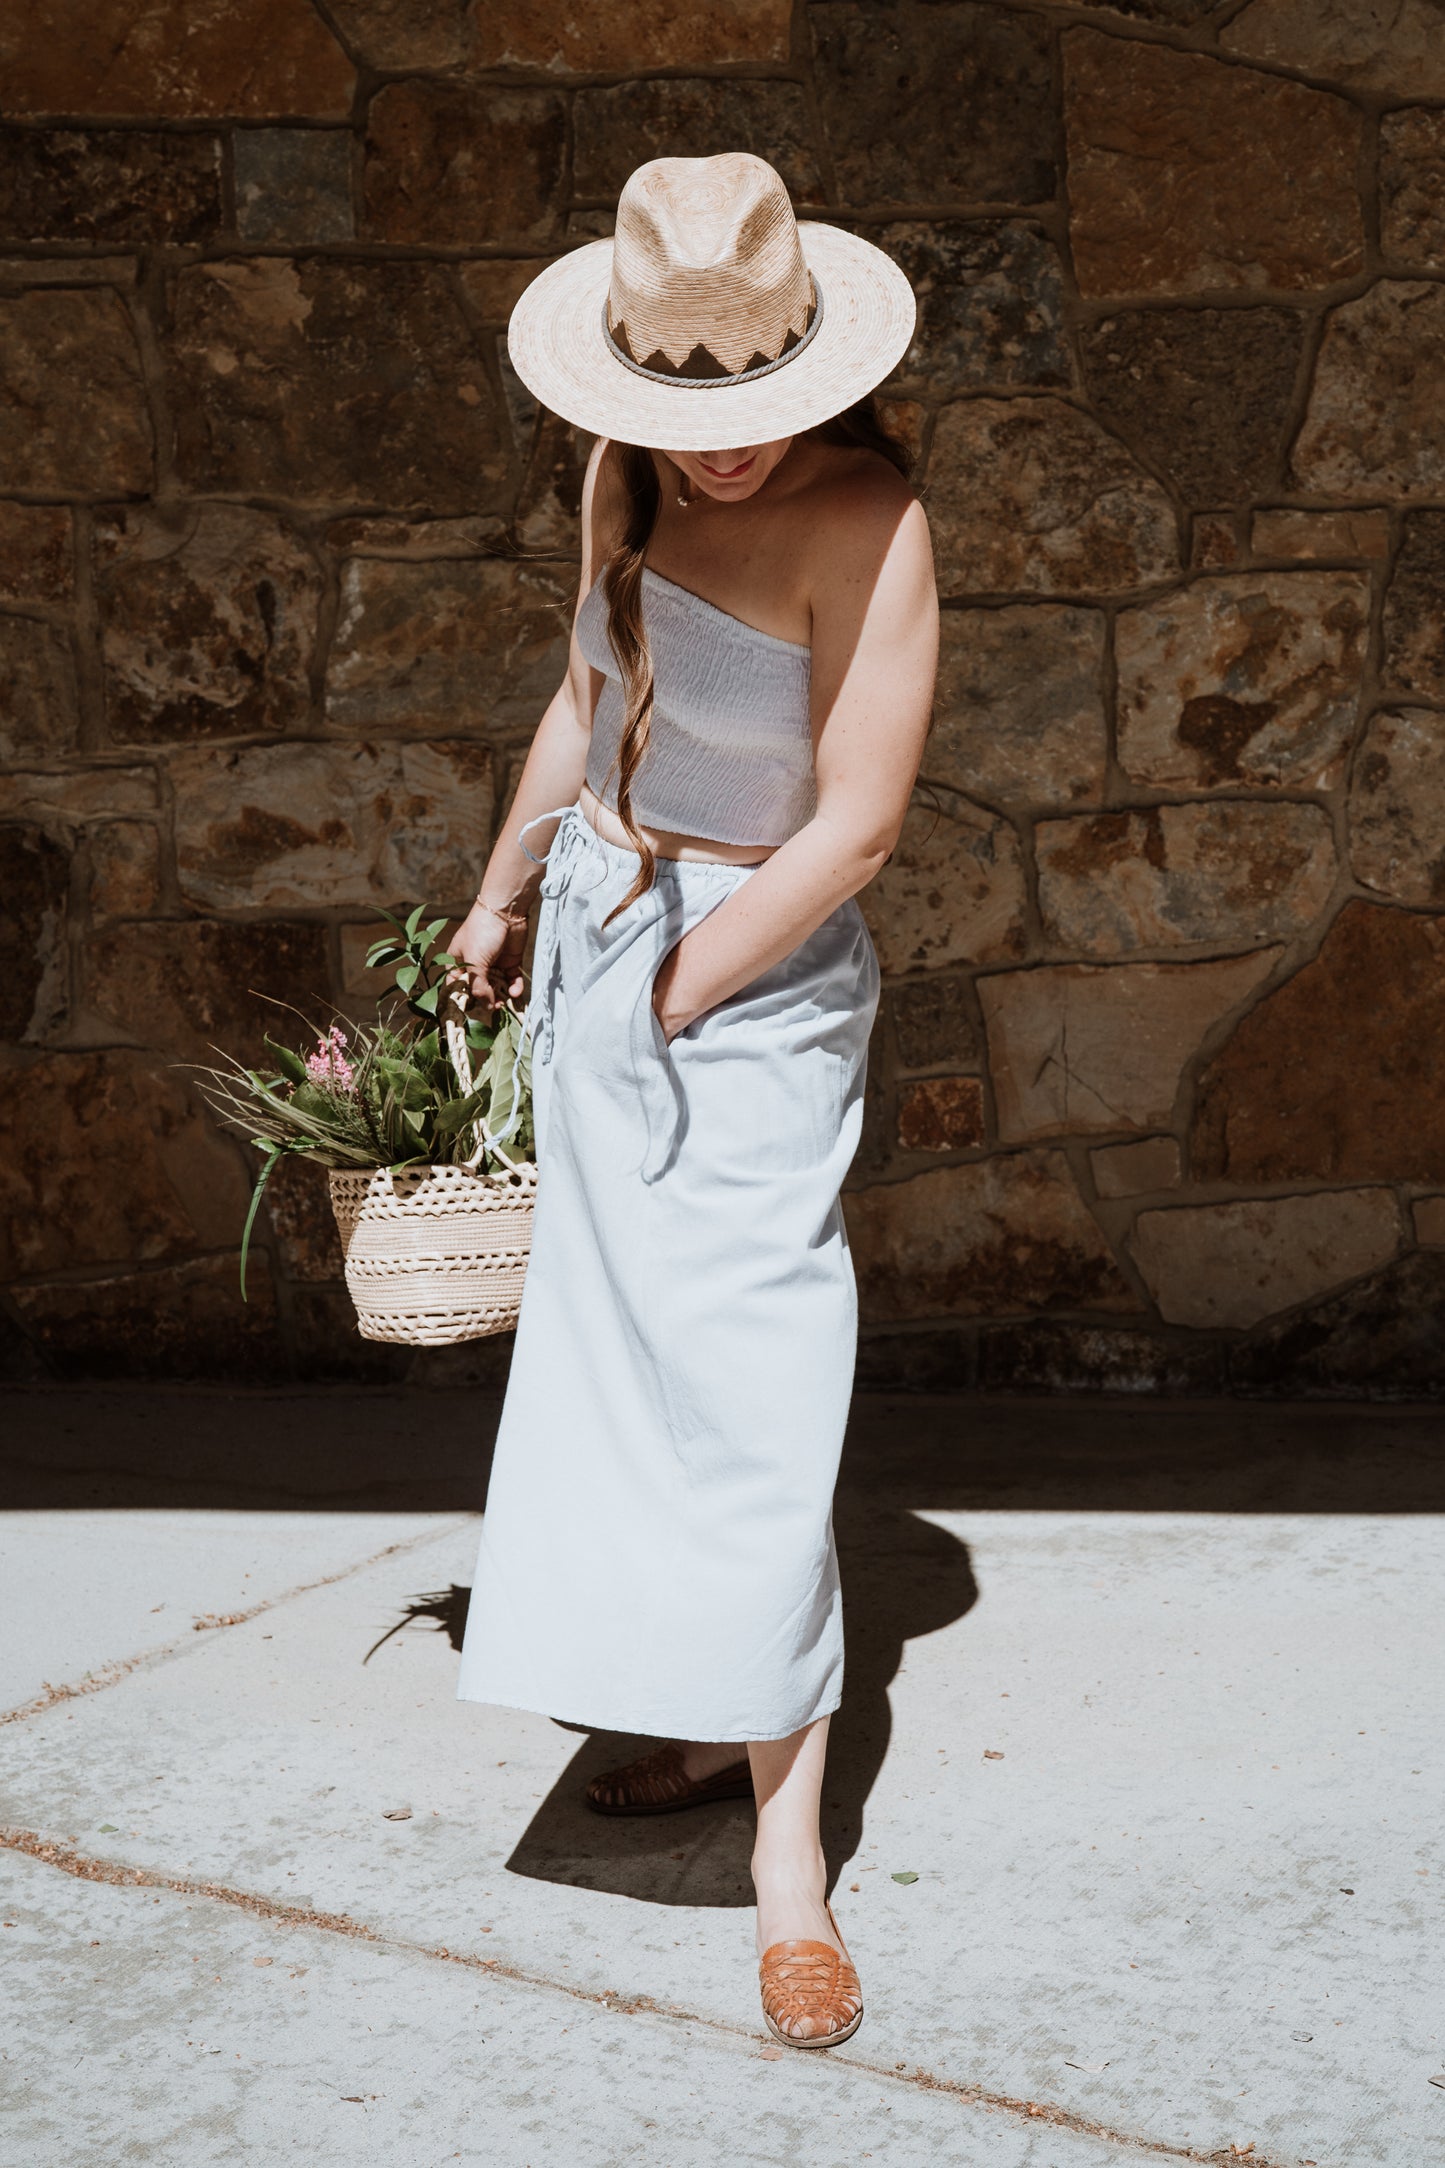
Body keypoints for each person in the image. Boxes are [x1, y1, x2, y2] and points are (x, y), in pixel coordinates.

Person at [450, 150, 938, 2049]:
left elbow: (863, 822)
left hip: (742, 975)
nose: (716, 446)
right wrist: (504, 892)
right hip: (597, 930)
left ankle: (789, 1873)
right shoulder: (622, 479)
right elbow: (590, 695)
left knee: (748, 1392)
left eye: (748, 403)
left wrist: (682, 982)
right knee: (611, 1368)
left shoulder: (870, 516)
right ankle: (677, 1719)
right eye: (680, 405)